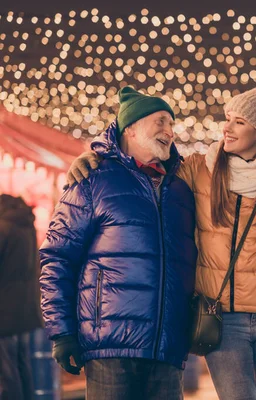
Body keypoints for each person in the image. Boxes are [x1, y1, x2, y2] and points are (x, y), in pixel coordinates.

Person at [66, 83, 256, 400]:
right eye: (227, 118)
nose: (226, 127)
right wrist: (94, 159)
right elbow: (142, 164)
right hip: (222, 316)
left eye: (239, 121)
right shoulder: (200, 169)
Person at [39, 87, 197, 400]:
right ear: (131, 128)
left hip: (166, 346)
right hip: (110, 345)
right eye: (161, 121)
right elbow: (57, 258)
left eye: (172, 124)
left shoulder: (182, 187)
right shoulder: (93, 179)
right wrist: (62, 332)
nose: (169, 131)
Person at [0, 194, 43, 400]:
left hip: (5, 311)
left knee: (6, 372)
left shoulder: (3, 228)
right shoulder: (26, 226)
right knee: (22, 365)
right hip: (26, 309)